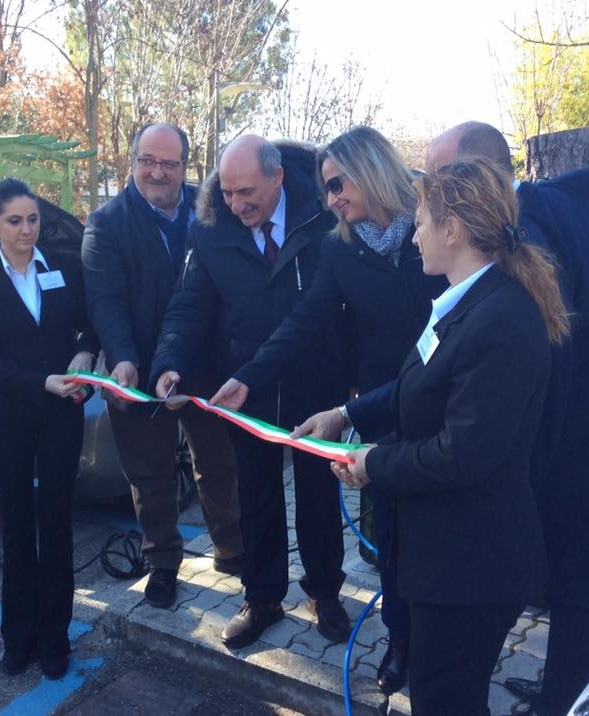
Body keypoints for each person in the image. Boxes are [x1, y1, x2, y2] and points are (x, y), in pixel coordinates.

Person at [425, 122, 589, 716]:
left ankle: (569, 701)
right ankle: (564, 686)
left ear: (482, 176)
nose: (432, 194)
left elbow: (549, 351)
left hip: (579, 435)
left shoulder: (528, 230)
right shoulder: (575, 198)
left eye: (442, 177)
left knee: (583, 582)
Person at [210, 126, 446, 690]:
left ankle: (443, 643)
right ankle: (400, 644)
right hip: (384, 407)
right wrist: (247, 378)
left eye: (338, 183)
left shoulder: (436, 222)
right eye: (325, 187)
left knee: (440, 531)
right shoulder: (339, 246)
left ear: (371, 169)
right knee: (390, 531)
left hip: (451, 395)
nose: (331, 197)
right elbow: (306, 319)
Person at [332, 158, 569, 715]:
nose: (414, 234)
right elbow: (417, 385)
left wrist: (373, 463)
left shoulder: (501, 320)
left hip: (472, 567)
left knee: (448, 702)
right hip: (443, 555)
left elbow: (463, 455)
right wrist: (345, 414)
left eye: (420, 220)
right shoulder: (464, 303)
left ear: (452, 229)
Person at [151, 135, 350, 648]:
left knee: (318, 494)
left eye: (247, 192)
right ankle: (261, 597)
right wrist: (170, 361)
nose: (236, 204)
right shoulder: (212, 229)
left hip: (316, 383)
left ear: (278, 177)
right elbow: (188, 306)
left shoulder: (322, 218)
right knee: (255, 497)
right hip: (247, 393)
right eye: (228, 191)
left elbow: (331, 309)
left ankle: (325, 590)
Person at [81, 123, 243, 608]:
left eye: (169, 163)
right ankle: (164, 563)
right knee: (149, 476)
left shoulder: (213, 211)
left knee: (218, 465)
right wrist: (125, 359)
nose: (157, 171)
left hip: (208, 367)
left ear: (184, 167)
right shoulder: (106, 223)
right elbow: (105, 302)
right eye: (148, 160)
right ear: (131, 163)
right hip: (138, 367)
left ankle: (232, 552)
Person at [0, 177, 95, 679]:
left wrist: (84, 354)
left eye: (32, 219)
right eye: (14, 221)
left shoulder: (65, 266)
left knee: (56, 525)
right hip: (10, 416)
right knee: (17, 527)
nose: (26, 230)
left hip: (62, 416)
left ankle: (55, 638)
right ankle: (17, 639)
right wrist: (42, 382)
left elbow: (89, 325)